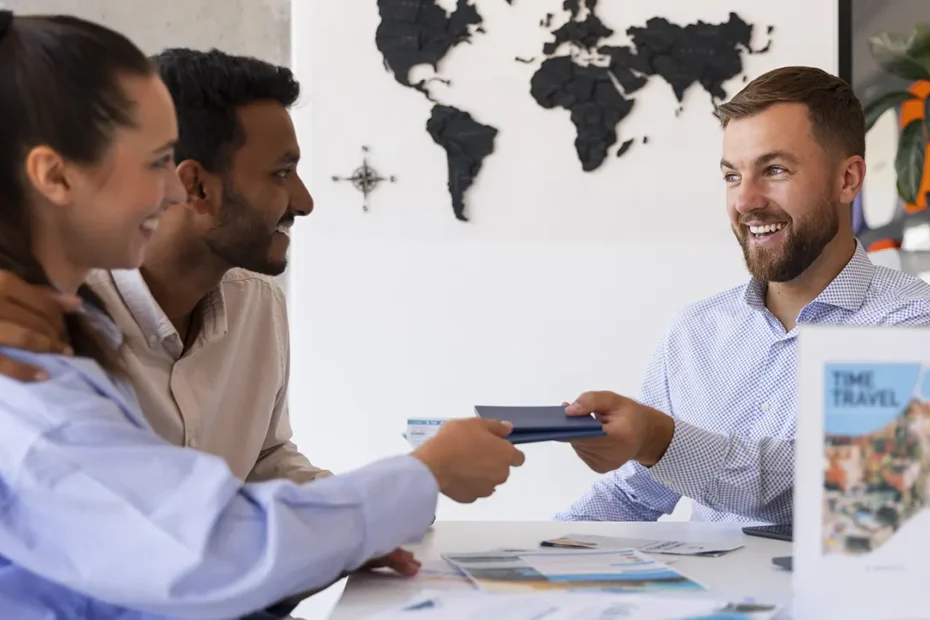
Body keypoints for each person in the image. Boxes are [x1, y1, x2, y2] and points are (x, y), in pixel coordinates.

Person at [0, 11, 524, 620]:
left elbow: (252, 478)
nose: (168, 191)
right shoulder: (28, 366)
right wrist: (417, 479)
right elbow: (205, 551)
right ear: (55, 175)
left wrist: (341, 529)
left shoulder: (249, 305)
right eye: (154, 162)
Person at [555, 66, 930, 524]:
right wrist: (538, 558)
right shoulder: (695, 333)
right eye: (732, 176)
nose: (746, 201)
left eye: (774, 170)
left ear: (848, 180)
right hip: (707, 596)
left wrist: (661, 440)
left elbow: (847, 490)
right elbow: (636, 495)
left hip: (841, 597)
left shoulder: (912, 324)